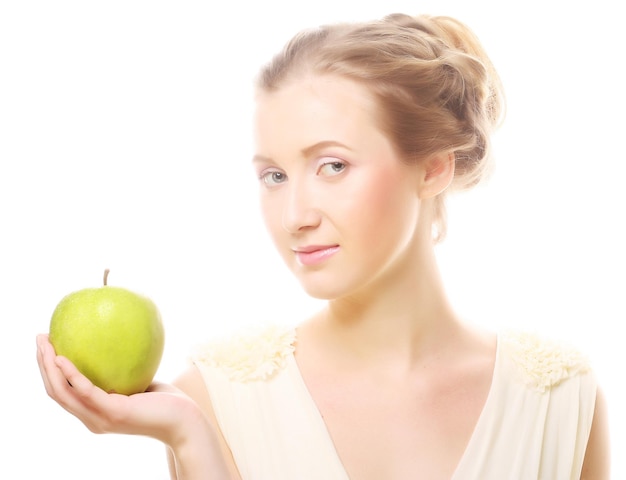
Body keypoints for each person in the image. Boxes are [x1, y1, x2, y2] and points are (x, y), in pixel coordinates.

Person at [36, 11, 610, 480]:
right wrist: (189, 438)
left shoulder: (560, 400)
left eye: (332, 166)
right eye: (274, 176)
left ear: (434, 167)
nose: (295, 217)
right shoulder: (217, 399)